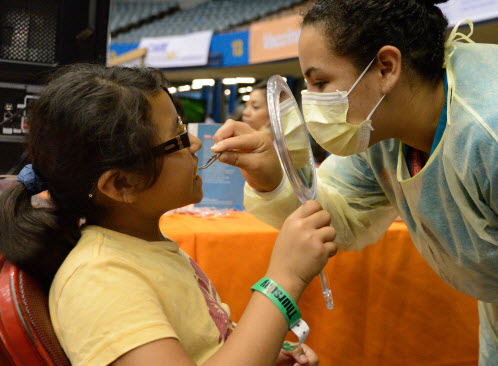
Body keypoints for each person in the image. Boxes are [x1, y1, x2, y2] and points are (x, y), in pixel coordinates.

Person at [210, 0, 497, 365]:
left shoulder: (487, 134)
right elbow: (339, 220)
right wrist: (275, 177)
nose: (312, 102)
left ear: (385, 68)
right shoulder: (380, 133)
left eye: (321, 82)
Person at [0, 64, 338, 366]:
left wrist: (261, 352)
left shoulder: (140, 247)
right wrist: (283, 281)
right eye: (177, 137)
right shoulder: (100, 280)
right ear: (121, 184)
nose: (195, 142)